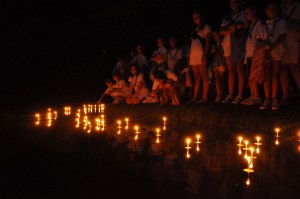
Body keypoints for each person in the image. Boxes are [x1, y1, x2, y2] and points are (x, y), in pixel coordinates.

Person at [258, 2, 288, 110]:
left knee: (275, 74)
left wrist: (272, 46)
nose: (271, 10)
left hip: (277, 51)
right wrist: (264, 48)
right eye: (268, 8)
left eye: (273, 8)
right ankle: (267, 98)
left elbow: (283, 36)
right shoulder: (262, 24)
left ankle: (274, 98)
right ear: (265, 12)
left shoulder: (281, 22)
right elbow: (259, 38)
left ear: (277, 10)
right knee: (267, 75)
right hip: (266, 52)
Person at [220, 0, 248, 104]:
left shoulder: (243, 14)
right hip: (227, 44)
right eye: (232, 2)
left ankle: (240, 94)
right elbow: (221, 31)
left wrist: (232, 28)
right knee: (231, 70)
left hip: (238, 43)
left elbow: (244, 25)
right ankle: (231, 94)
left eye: (236, 1)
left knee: (240, 69)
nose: (234, 4)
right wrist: (234, 28)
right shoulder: (227, 16)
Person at [241, 6, 264, 105]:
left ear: (254, 12)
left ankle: (257, 97)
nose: (246, 15)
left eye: (248, 13)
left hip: (254, 54)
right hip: (249, 54)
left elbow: (260, 38)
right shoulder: (251, 24)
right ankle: (252, 95)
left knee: (253, 76)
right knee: (249, 76)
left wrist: (257, 53)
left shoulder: (259, 23)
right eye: (245, 14)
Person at [188, 11, 212, 104]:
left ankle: (205, 97)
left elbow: (208, 41)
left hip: (201, 54)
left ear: (201, 17)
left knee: (204, 76)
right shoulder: (195, 29)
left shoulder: (206, 27)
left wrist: (205, 54)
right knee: (196, 77)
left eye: (196, 18)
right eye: (193, 18)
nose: (195, 20)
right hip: (193, 55)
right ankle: (195, 97)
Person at [280, 0, 300, 105]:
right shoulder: (280, 8)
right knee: (283, 68)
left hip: (294, 39)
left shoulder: (297, 8)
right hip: (281, 41)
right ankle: (286, 94)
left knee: (294, 66)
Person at [209, 30, 227, 103]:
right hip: (215, 62)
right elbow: (210, 53)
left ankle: (221, 94)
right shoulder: (213, 44)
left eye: (215, 35)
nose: (214, 37)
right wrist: (212, 52)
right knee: (217, 79)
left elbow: (226, 52)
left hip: (222, 62)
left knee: (221, 78)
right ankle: (218, 95)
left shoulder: (224, 42)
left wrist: (220, 51)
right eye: (213, 36)